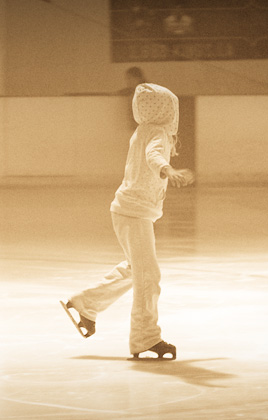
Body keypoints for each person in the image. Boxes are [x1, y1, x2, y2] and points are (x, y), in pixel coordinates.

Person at [61, 83, 194, 360]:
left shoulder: (143, 130)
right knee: (149, 276)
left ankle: (86, 304)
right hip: (133, 212)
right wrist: (168, 169)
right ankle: (146, 337)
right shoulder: (157, 133)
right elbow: (153, 155)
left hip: (129, 210)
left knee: (138, 270)